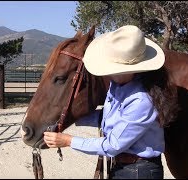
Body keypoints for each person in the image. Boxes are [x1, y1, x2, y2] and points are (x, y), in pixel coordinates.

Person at [43, 25, 179, 179]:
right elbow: (109, 117)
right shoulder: (118, 85)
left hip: (139, 172)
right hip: (127, 168)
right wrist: (73, 117)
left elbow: (112, 145)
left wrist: (68, 141)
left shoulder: (141, 100)